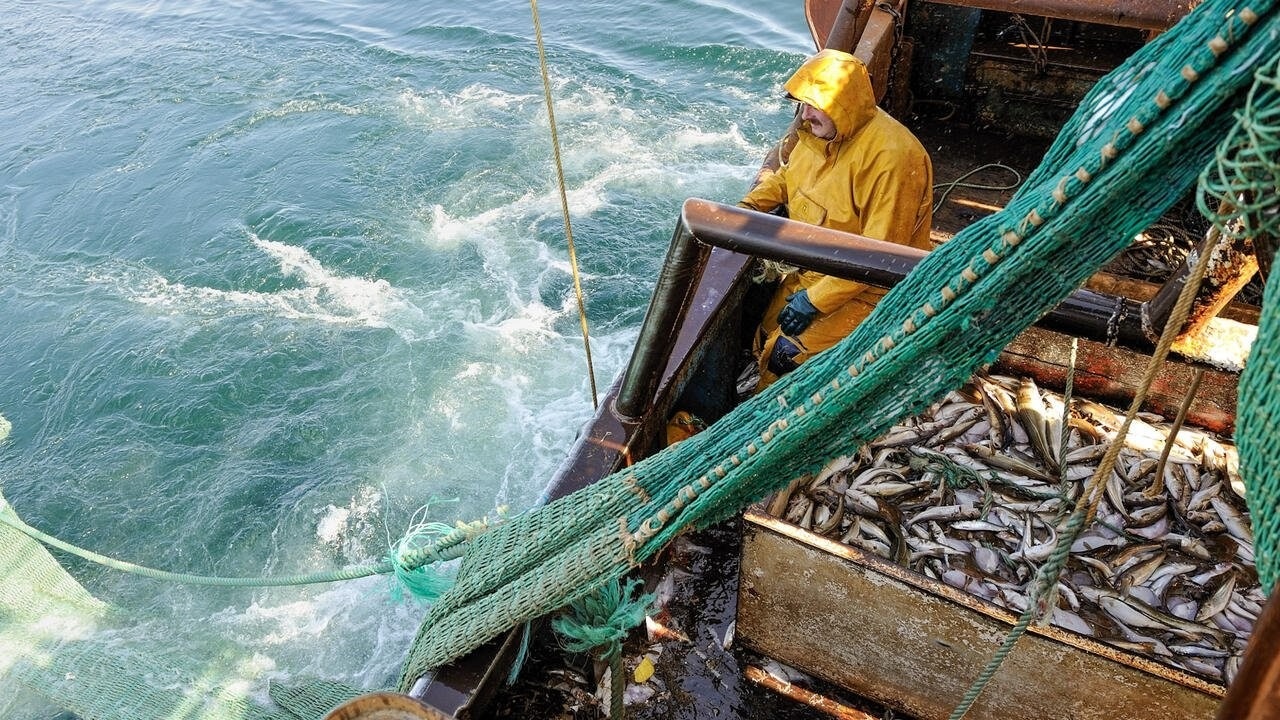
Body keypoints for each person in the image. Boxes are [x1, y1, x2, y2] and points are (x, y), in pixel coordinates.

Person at [740, 48, 933, 390]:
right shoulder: (819, 133)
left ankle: (771, 414)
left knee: (786, 353)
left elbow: (880, 255)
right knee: (763, 334)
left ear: (843, 105)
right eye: (803, 103)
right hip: (814, 269)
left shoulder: (894, 159)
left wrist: (816, 301)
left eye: (815, 105)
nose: (804, 115)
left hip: (872, 289)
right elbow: (787, 179)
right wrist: (746, 207)